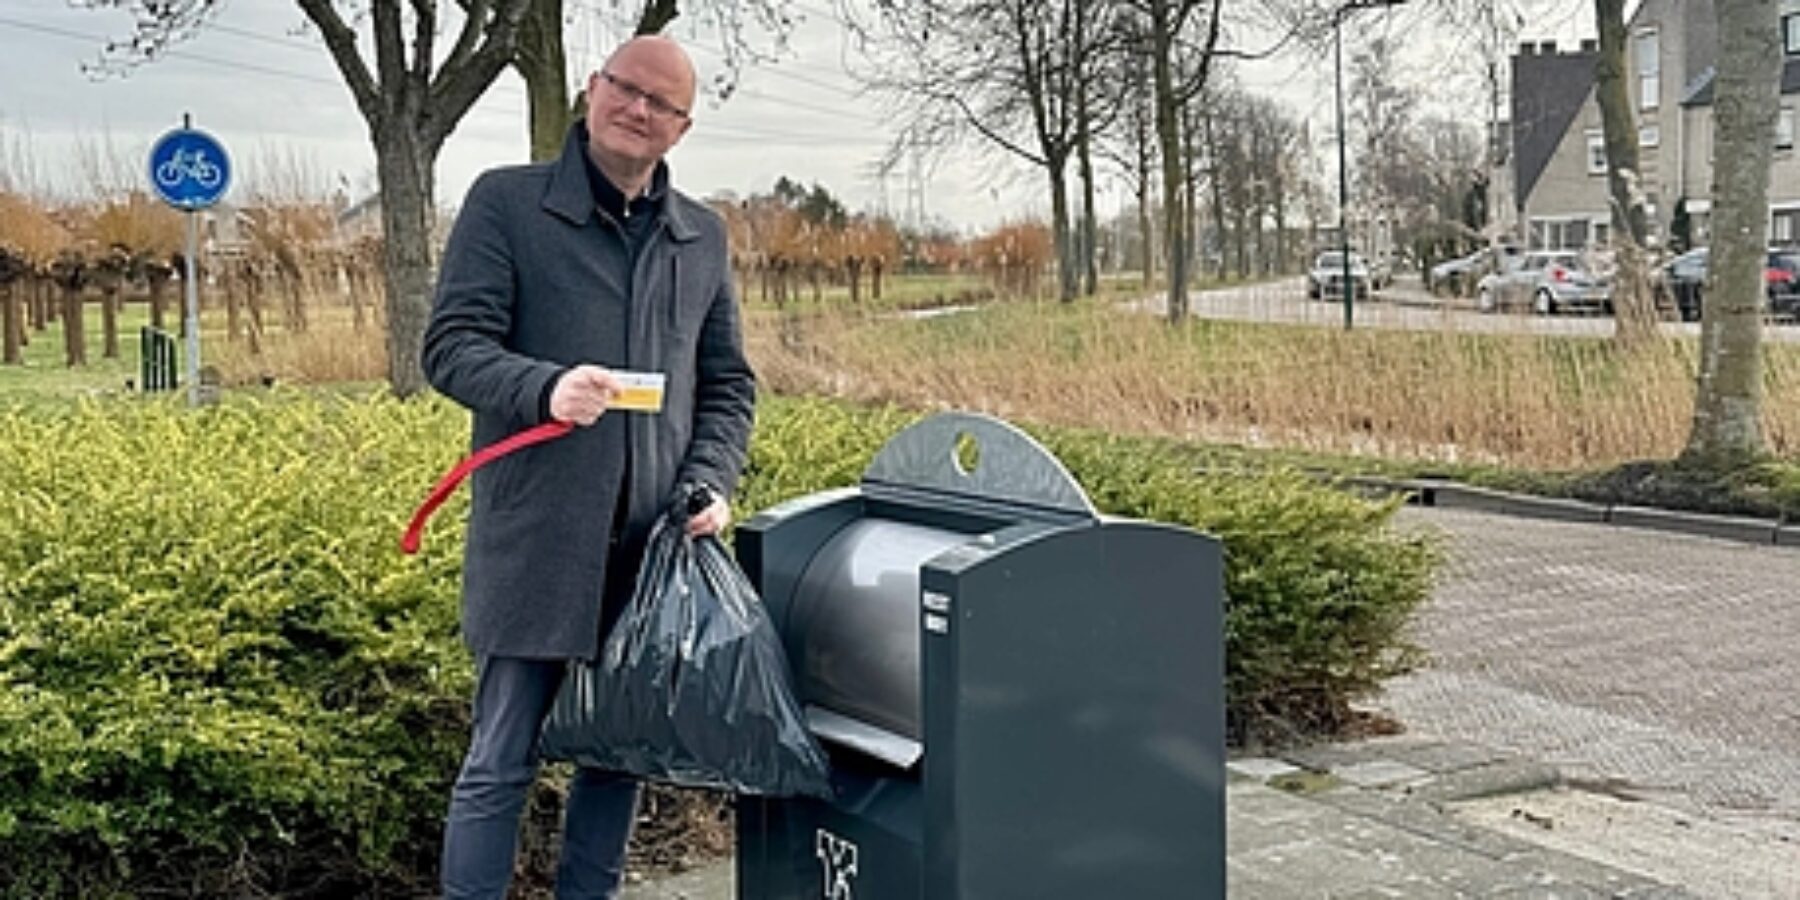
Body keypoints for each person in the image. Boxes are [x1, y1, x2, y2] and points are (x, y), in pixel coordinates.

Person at [421, 35, 755, 900]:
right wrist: (544, 387)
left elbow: (726, 385)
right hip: (538, 538)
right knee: (502, 758)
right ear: (591, 90)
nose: (638, 110)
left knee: (616, 757)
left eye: (662, 104)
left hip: (650, 553)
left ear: (681, 129)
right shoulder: (507, 205)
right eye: (625, 88)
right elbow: (451, 348)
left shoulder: (701, 239)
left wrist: (709, 481)